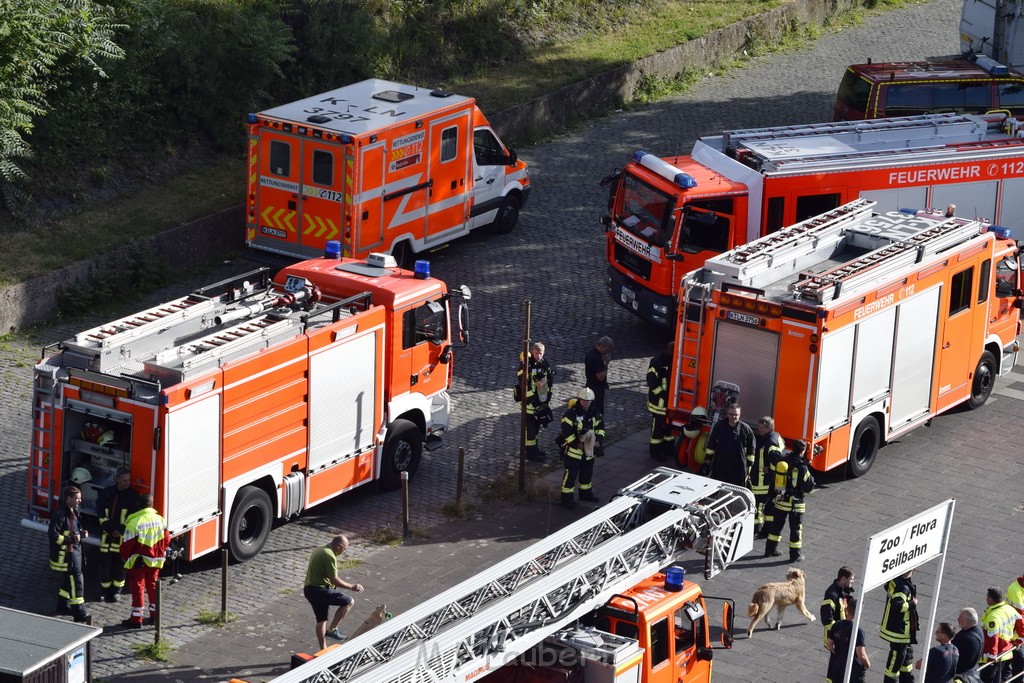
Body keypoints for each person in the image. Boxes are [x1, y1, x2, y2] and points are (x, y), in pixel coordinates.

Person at [304, 535, 365, 651]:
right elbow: (334, 579)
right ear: (338, 546)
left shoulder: (320, 549)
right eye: (344, 549)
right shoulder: (329, 555)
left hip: (309, 590)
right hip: (320, 590)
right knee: (348, 602)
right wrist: (352, 586)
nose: (344, 552)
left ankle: (323, 648)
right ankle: (333, 630)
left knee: (321, 620)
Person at [119, 492, 169, 629]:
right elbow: (166, 540)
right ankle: (155, 615)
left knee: (138, 589)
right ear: (151, 504)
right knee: (153, 586)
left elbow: (127, 546)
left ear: (138, 505)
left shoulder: (134, 522)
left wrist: (125, 558)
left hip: (139, 562)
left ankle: (136, 619)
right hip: (156, 560)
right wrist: (160, 552)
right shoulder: (160, 519)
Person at [763, 439, 814, 562]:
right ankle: (795, 555)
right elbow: (808, 487)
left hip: (781, 501)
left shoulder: (783, 461)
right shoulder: (802, 467)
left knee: (776, 527)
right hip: (795, 504)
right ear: (803, 451)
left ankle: (769, 550)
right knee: (796, 529)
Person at [48, 485, 92, 624]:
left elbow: (74, 528)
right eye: (77, 499)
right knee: (76, 581)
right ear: (68, 498)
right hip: (66, 555)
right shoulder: (60, 514)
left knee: (69, 581)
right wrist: (71, 539)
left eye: (80, 498)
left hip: (74, 552)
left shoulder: (74, 510)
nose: (80, 501)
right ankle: (80, 612)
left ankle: (61, 606)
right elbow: (53, 536)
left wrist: (81, 533)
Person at [97, 467, 140, 603]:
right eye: (124, 480)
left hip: (122, 538)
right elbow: (100, 512)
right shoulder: (107, 493)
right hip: (106, 536)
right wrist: (108, 528)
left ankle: (116, 592)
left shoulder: (134, 497)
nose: (127, 483)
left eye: (129, 480)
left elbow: (133, 517)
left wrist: (120, 530)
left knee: (120, 567)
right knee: (105, 565)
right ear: (117, 479)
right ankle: (104, 591)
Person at [557, 387, 605, 509]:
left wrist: (598, 441)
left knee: (587, 475)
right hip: (574, 453)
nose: (586, 402)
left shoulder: (595, 412)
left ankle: (586, 494)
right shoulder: (571, 413)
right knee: (571, 476)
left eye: (588, 400)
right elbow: (566, 432)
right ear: (579, 399)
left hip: (589, 451)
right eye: (584, 400)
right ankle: (566, 499)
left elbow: (600, 428)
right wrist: (576, 444)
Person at [516, 341, 555, 462]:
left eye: (541, 353)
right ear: (532, 351)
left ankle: (535, 450)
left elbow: (550, 380)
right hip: (529, 406)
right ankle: (532, 455)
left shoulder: (544, 364)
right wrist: (532, 400)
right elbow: (522, 382)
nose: (538, 355)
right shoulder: (527, 365)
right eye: (536, 353)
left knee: (536, 430)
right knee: (530, 432)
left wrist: (547, 398)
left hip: (540, 403)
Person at [880, 568, 920, 683]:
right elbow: (897, 606)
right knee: (895, 661)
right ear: (914, 569)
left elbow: (887, 587)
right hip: (899, 631)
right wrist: (912, 604)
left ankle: (906, 679)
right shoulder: (903, 587)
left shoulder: (896, 580)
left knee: (906, 658)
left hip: (899, 629)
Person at [980, 586, 1024, 682]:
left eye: (987, 596)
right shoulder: (1009, 608)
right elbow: (1021, 624)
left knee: (987, 678)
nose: (986, 598)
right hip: (1007, 651)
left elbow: (993, 637)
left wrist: (991, 657)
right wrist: (1019, 640)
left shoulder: (993, 616)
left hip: (997, 654)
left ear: (991, 599)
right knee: (1002, 675)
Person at [704, 404, 754, 487]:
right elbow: (711, 442)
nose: (733, 417)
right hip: (721, 462)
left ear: (740, 414)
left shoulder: (746, 429)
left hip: (738, 465)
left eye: (736, 415)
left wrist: (749, 464)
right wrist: (708, 457)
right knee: (718, 485)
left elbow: (751, 449)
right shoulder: (720, 426)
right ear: (727, 414)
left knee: (735, 487)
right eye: (731, 414)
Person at [751, 416, 784, 536]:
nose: (760, 430)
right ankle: (767, 529)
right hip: (767, 480)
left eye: (762, 428)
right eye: (759, 427)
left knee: (758, 506)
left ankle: (757, 529)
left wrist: (769, 468)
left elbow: (778, 460)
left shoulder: (770, 442)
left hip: (763, 480)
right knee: (770, 506)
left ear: (769, 428)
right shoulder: (775, 437)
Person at [827, 597, 871, 683]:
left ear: (847, 609)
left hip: (837, 667)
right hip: (853, 671)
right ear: (859, 611)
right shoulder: (858, 631)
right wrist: (867, 665)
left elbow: (829, 644)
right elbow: (861, 655)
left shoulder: (836, 625)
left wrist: (838, 655)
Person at [645, 342, 673, 461]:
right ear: (670, 350)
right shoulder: (656, 361)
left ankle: (668, 449)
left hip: (669, 403)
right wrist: (663, 394)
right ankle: (655, 452)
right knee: (657, 429)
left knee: (668, 429)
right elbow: (651, 381)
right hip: (658, 404)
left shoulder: (673, 361)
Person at [822, 566, 856, 649]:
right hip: (835, 638)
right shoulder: (832, 595)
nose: (853, 581)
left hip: (842, 635)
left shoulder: (843, 590)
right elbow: (827, 620)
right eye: (851, 579)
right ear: (844, 579)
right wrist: (841, 631)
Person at [584, 336, 613, 418]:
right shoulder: (596, 357)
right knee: (597, 413)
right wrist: (606, 364)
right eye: (607, 349)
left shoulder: (589, 353)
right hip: (596, 389)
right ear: (603, 346)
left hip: (589, 385)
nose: (606, 352)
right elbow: (600, 377)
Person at [951, 608, 983, 681]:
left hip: (960, 673)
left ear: (967, 622)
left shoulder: (966, 639)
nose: (958, 619)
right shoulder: (978, 631)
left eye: (960, 618)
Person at [1006, 572, 1024, 677]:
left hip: (1016, 634)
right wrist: (1020, 639)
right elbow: (1020, 619)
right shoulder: (1015, 591)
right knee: (1018, 662)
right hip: (1012, 635)